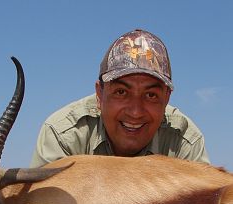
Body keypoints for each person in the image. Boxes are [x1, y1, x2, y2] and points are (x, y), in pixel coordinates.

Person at [30, 29, 210, 168]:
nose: (135, 112)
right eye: (121, 92)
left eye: (151, 95)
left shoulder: (185, 141)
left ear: (166, 99)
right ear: (100, 94)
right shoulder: (63, 134)